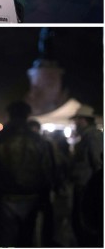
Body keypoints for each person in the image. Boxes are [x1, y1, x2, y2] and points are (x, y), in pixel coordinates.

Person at [0, 101, 53, 247]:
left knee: (7, 238)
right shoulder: (38, 139)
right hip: (32, 195)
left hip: (7, 196)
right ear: (27, 115)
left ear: (10, 115)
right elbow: (47, 170)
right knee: (27, 237)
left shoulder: (1, 138)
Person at [70, 105, 103, 247]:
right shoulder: (87, 136)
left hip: (87, 188)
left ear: (83, 120)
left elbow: (98, 165)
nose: (75, 123)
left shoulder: (93, 136)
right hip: (84, 186)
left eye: (77, 120)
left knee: (86, 226)